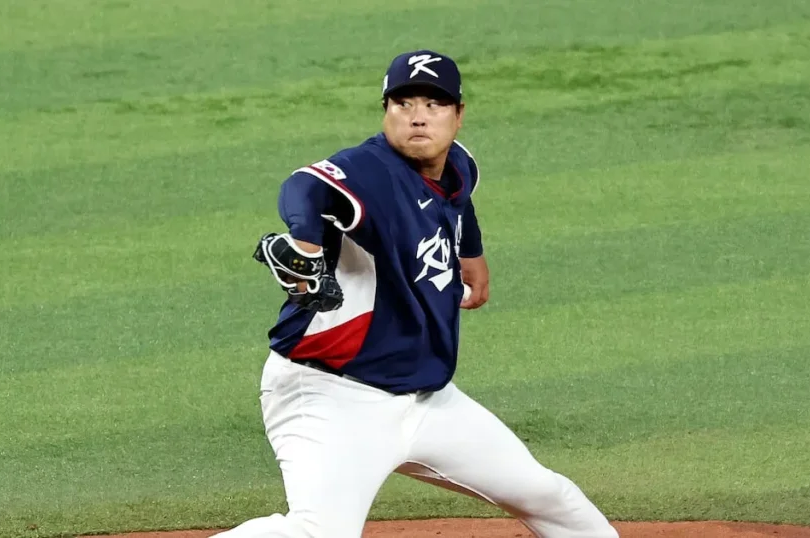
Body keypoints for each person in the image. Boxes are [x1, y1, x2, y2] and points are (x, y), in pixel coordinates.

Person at [215, 50, 619, 538]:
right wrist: (303, 238)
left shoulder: (458, 164)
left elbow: (458, 198)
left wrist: (472, 251)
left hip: (428, 401)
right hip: (333, 397)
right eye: (404, 103)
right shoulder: (370, 172)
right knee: (319, 532)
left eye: (434, 103)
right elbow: (304, 187)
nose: (419, 115)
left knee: (548, 496)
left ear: (458, 114)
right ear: (386, 110)